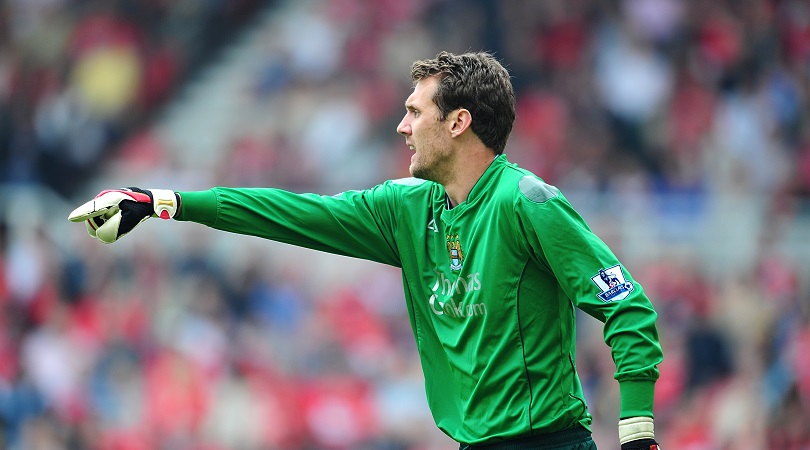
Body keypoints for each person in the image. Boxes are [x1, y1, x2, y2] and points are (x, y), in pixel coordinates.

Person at [69, 51, 663, 450]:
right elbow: (291, 214)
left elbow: (628, 307)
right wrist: (163, 201)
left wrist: (637, 434)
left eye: (414, 112)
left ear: (458, 122)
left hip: (547, 443)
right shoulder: (405, 208)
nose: (402, 126)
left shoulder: (528, 202)